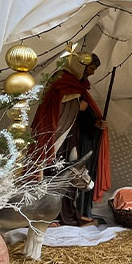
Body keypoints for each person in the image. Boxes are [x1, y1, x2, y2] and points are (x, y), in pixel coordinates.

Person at [30, 53, 106, 226]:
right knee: (57, 172)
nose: (92, 73)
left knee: (70, 172)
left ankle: (68, 213)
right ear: (82, 65)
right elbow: (52, 108)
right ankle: (53, 214)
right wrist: (75, 105)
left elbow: (78, 115)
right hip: (57, 137)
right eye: (92, 68)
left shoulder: (77, 85)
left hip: (70, 135)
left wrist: (94, 122)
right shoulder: (61, 80)